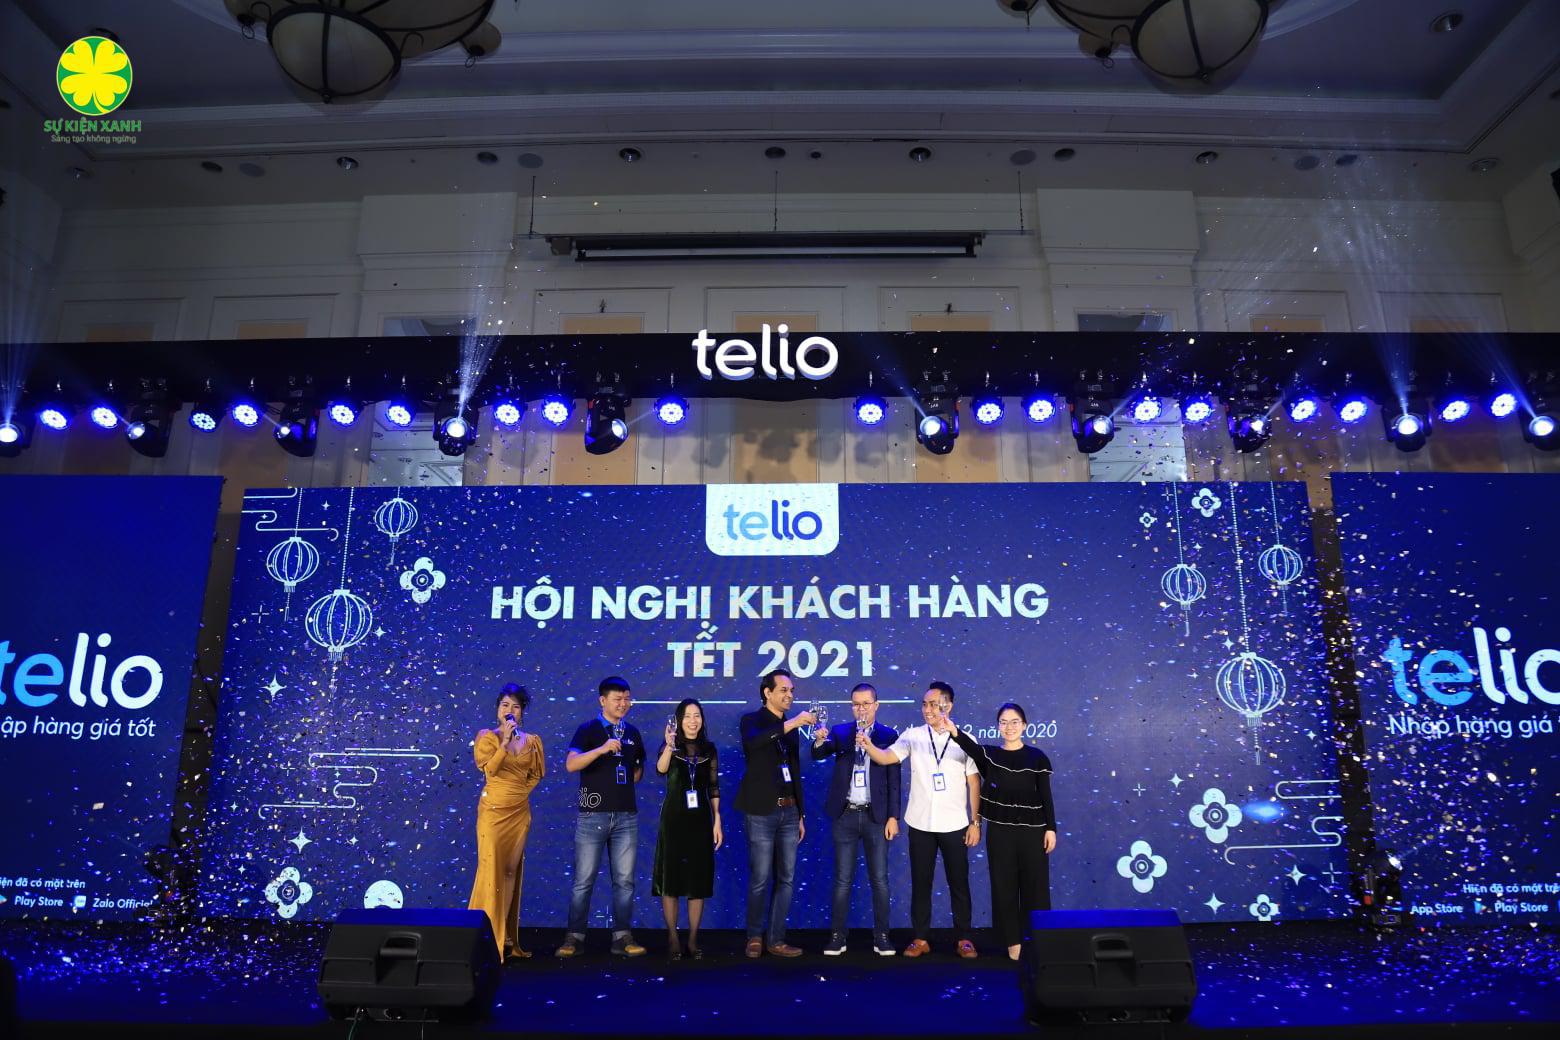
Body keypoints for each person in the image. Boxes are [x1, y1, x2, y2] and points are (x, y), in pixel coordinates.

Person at [861, 681, 980, 958]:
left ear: (948, 706)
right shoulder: (912, 735)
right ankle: (920, 938)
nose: (927, 710)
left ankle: (964, 938)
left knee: (959, 884)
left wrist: (975, 822)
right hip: (920, 823)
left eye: (933, 704)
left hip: (955, 825)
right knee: (921, 883)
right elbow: (887, 757)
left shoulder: (965, 740)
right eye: (924, 704)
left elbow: (974, 783)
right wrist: (867, 745)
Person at [947, 702, 1057, 961]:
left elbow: (1046, 796)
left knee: (1036, 888)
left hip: (1033, 833)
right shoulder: (990, 755)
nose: (1009, 727)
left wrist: (1051, 829)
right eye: (1004, 722)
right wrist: (953, 731)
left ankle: (1038, 940)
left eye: (1015, 722)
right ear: (998, 727)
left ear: (1024, 725)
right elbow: (971, 748)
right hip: (1000, 833)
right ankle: (1012, 942)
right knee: (1004, 887)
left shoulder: (1037, 758)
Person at [556, 676, 646, 957]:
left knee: (625, 882)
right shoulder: (588, 730)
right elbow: (571, 764)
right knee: (583, 881)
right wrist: (601, 749)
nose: (623, 704)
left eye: (627, 699)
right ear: (602, 700)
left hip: (626, 817)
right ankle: (574, 938)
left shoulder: (632, 732)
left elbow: (637, 772)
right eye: (617, 699)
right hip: (592, 816)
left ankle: (622, 937)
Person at [811, 681, 901, 956]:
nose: (860, 709)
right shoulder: (840, 732)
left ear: (876, 705)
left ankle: (882, 936)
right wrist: (818, 740)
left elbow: (894, 780)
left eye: (865, 704)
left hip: (876, 816)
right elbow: (818, 753)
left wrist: (893, 816)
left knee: (880, 880)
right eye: (856, 704)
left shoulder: (888, 735)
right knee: (842, 880)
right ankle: (837, 936)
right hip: (845, 814)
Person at [735, 668, 816, 958]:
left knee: (787, 878)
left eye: (792, 691)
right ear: (767, 693)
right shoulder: (751, 721)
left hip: (789, 811)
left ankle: (776, 938)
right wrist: (792, 723)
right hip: (760, 812)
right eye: (784, 690)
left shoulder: (790, 730)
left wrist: (801, 813)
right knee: (760, 878)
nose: (789, 695)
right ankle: (754, 936)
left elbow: (794, 770)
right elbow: (753, 744)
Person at [467, 683, 545, 960]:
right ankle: (486, 937)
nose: (510, 710)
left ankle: (506, 936)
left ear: (522, 712)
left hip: (519, 812)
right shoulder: (487, 737)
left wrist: (520, 794)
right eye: (505, 705)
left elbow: (536, 774)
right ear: (497, 710)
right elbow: (490, 769)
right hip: (492, 811)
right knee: (491, 870)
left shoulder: (532, 741)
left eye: (516, 706)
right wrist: (504, 743)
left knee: (510, 871)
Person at [652, 698, 724, 960]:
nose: (693, 721)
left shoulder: (709, 749)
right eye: (687, 716)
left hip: (701, 820)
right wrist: (669, 746)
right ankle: (673, 937)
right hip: (673, 820)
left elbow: (713, 787)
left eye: (697, 716)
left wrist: (717, 818)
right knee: (671, 880)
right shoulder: (670, 746)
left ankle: (692, 939)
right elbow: (660, 770)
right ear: (679, 721)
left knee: (697, 880)